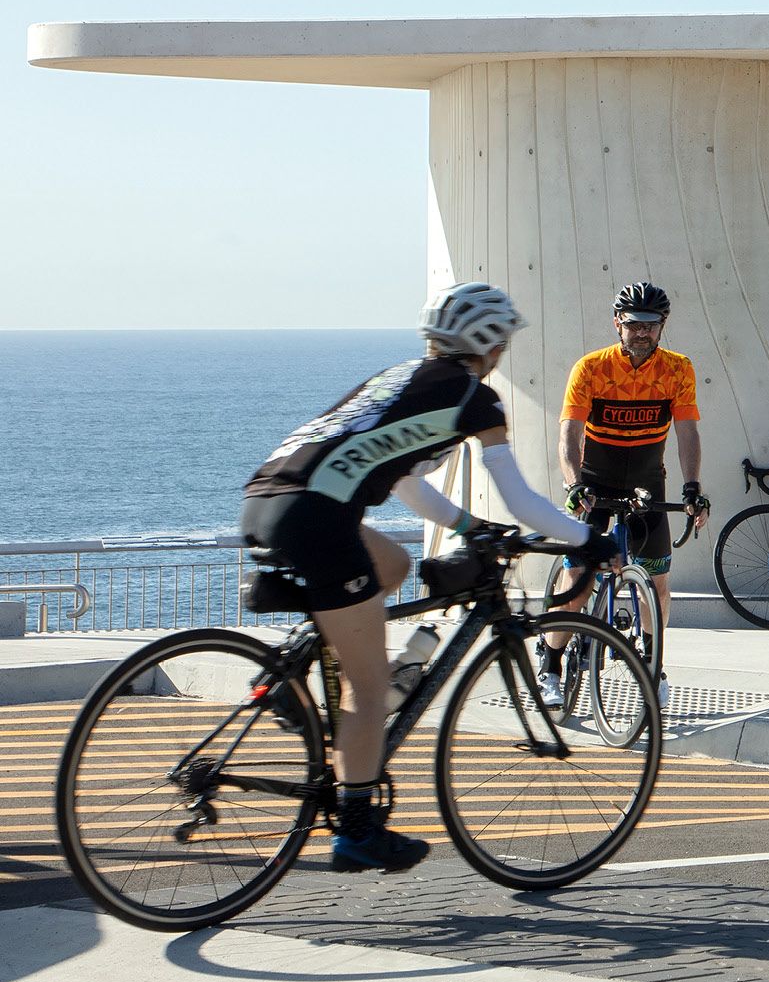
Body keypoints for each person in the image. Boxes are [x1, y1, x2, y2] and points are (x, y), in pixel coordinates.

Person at [241, 283, 609, 873]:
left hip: (269, 501)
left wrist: (468, 523)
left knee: (393, 565)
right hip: (318, 519)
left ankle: (296, 666)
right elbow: (521, 500)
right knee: (367, 689)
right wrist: (588, 538)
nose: (503, 355)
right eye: (504, 344)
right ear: (490, 345)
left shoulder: (401, 380)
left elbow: (406, 483)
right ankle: (357, 830)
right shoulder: (475, 399)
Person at [547, 281, 704, 698]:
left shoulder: (677, 368)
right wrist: (574, 484)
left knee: (659, 583)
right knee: (578, 577)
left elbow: (687, 432)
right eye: (634, 323)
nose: (642, 332)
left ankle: (654, 668)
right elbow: (569, 436)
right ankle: (551, 666)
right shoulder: (591, 368)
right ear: (618, 323)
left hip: (648, 483)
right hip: (594, 483)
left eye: (651, 325)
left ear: (662, 326)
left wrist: (692, 487)